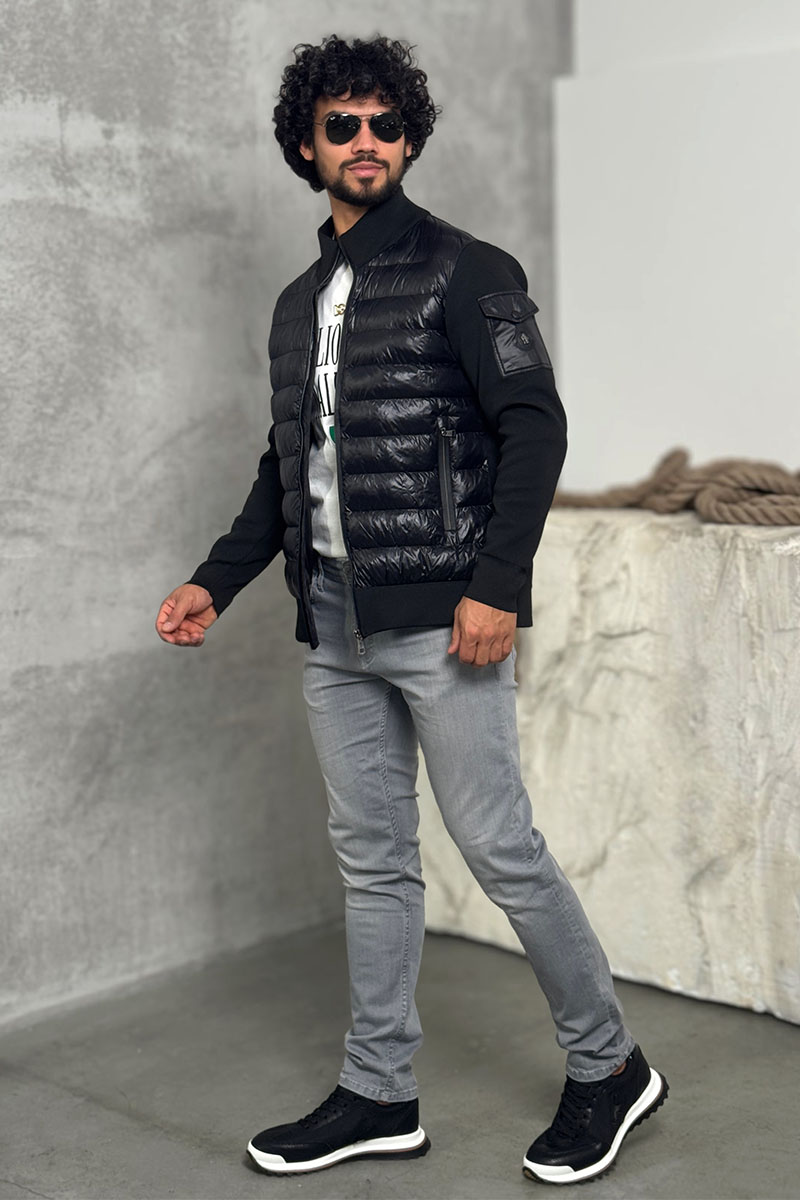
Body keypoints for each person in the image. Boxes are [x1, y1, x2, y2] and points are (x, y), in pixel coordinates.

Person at [155, 34, 668, 1186]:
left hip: (444, 619)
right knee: (373, 862)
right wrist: (213, 580)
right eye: (341, 124)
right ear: (306, 145)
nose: (365, 141)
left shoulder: (466, 270)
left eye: (385, 124)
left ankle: (609, 1066)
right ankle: (379, 1091)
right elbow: (285, 464)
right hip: (333, 624)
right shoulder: (297, 307)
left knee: (498, 846)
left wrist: (494, 587)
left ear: (408, 139)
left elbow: (532, 425)